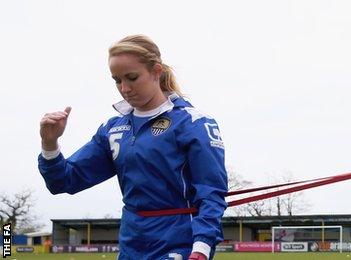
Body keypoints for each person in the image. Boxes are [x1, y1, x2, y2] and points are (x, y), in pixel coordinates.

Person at [38, 35, 228, 260]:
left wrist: (202, 247)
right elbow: (65, 181)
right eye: (117, 80)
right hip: (131, 245)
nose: (124, 88)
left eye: (132, 77)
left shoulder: (194, 123)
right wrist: (49, 144)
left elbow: (211, 192)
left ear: (156, 71)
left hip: (180, 244)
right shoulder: (112, 129)